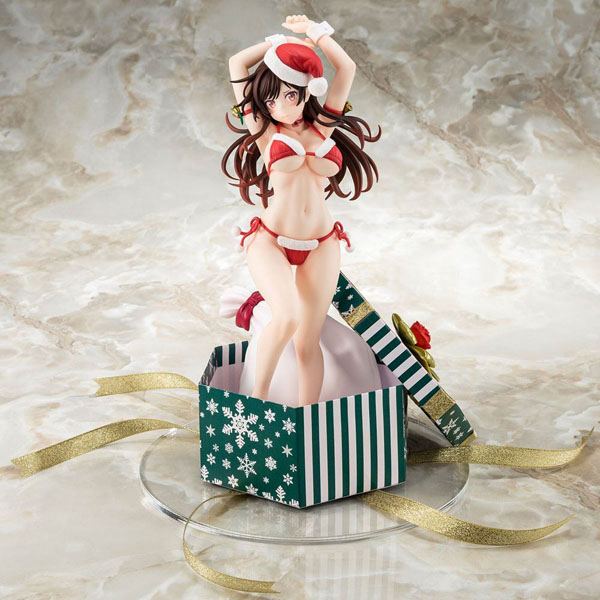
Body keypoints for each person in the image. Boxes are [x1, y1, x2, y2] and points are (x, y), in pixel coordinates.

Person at [222, 15, 381, 406]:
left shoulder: (323, 126)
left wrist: (316, 33)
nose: (280, 107)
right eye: (270, 100)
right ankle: (257, 403)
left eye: (289, 96)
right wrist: (274, 44)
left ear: (306, 91)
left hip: (322, 241)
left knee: (307, 341)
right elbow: (236, 64)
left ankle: (308, 416)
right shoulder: (264, 131)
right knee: (286, 318)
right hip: (272, 240)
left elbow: (347, 68)